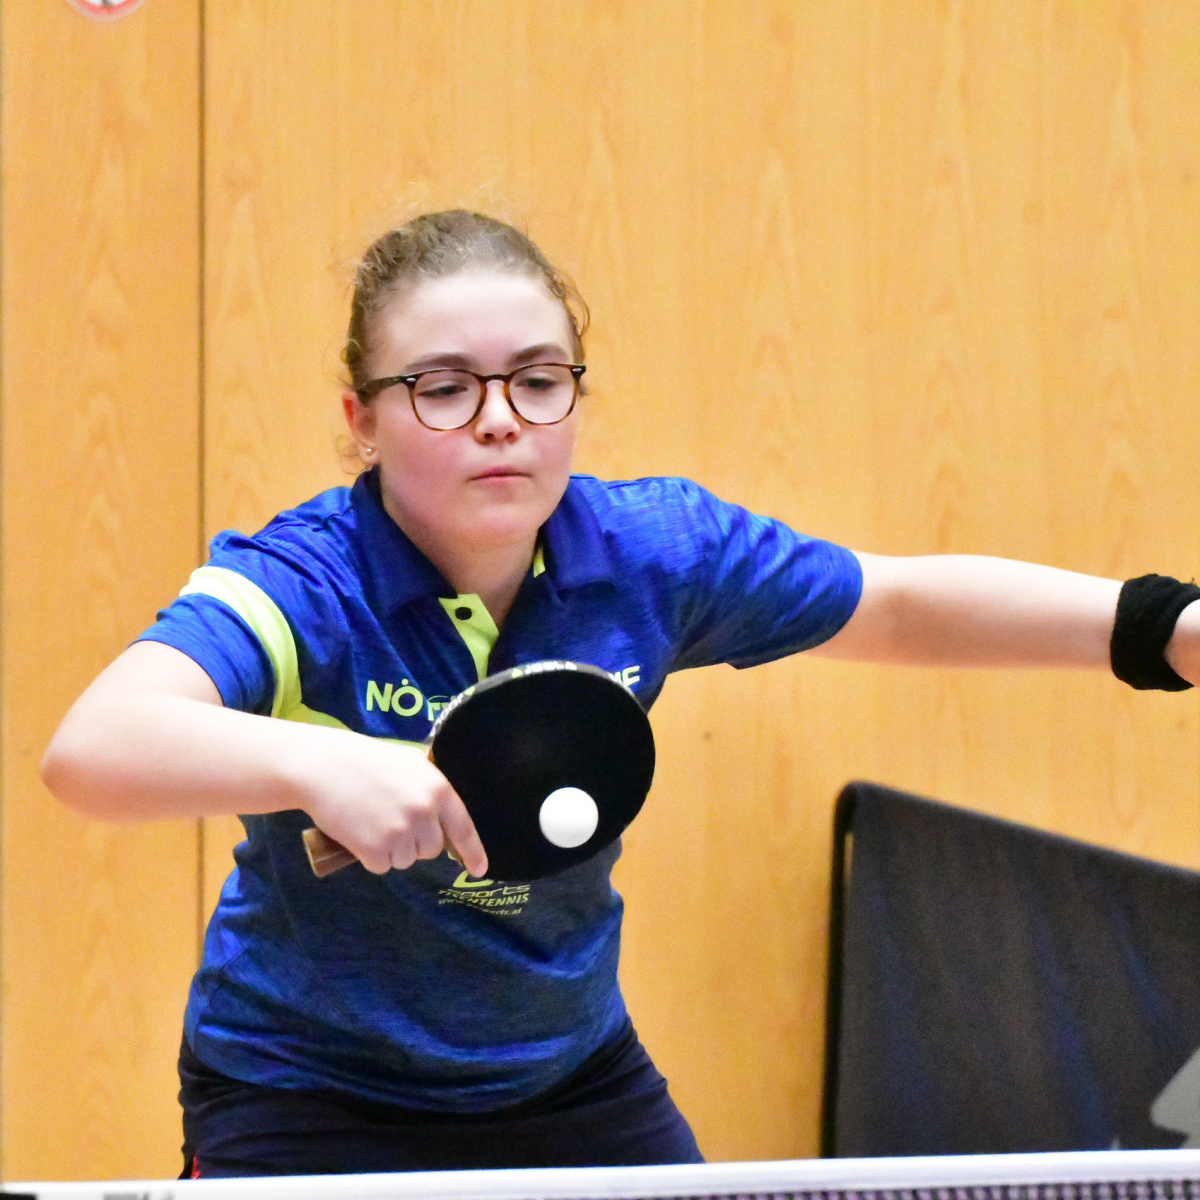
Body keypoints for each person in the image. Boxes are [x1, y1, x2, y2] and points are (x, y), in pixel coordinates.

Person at [41, 210, 1200, 1178]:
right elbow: (95, 749)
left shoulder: (652, 554)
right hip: (306, 1091)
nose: (500, 417)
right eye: (442, 388)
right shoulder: (302, 586)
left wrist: (1170, 628)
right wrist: (315, 760)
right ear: (362, 420)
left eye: (538, 380)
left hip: (566, 1077)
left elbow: (893, 603)